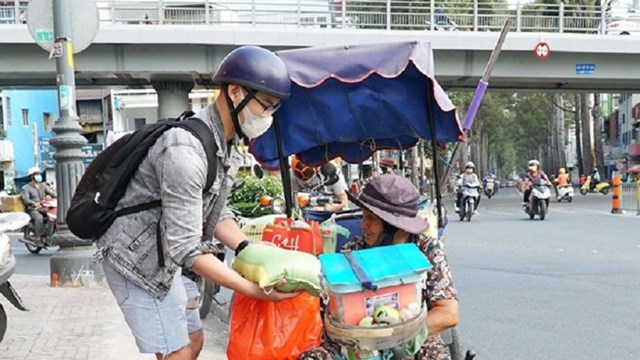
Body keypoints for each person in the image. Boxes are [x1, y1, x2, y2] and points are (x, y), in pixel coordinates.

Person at [95, 46, 299, 360]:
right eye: (266, 106)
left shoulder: (224, 144)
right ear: (235, 92)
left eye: (274, 109)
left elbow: (213, 212)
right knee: (177, 353)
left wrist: (247, 249)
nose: (268, 117)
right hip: (136, 261)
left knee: (194, 341)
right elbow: (187, 248)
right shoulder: (185, 152)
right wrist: (256, 292)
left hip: (167, 256)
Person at [301, 174, 459, 359]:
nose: (363, 225)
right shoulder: (352, 252)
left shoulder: (427, 250)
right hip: (355, 340)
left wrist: (398, 339)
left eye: (371, 219)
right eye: (363, 216)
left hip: (412, 338)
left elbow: (449, 313)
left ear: (394, 225)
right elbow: (330, 307)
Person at [20, 167, 56, 245]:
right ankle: (38, 238)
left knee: (52, 216)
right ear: (32, 176)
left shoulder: (43, 186)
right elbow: (26, 199)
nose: (39, 175)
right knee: (39, 218)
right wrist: (33, 203)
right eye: (37, 174)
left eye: (39, 174)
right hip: (33, 209)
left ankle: (48, 235)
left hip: (44, 207)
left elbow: (52, 194)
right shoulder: (25, 188)